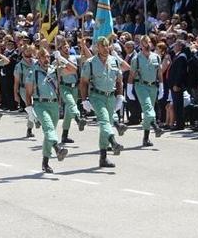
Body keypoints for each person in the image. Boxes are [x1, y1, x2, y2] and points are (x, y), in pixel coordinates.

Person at [80, 37, 125, 168]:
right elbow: (83, 83)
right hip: (96, 96)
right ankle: (114, 142)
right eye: (102, 46)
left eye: (107, 46)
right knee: (105, 121)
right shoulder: (90, 63)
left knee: (107, 125)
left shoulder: (114, 61)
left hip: (110, 97)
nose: (106, 48)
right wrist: (84, 100)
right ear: (97, 48)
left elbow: (119, 80)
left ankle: (103, 158)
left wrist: (120, 96)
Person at [25, 48, 69, 173]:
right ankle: (57, 148)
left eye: (48, 57)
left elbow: (73, 70)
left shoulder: (54, 70)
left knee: (49, 133)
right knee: (49, 129)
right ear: (38, 58)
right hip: (40, 104)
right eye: (43, 57)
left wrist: (61, 59)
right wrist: (29, 110)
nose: (46, 59)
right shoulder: (33, 71)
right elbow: (28, 93)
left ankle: (45, 162)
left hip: (54, 105)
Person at [128, 37, 164, 146]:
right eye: (144, 43)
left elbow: (159, 73)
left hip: (153, 86)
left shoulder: (156, 57)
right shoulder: (136, 59)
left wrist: (161, 86)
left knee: (149, 110)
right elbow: (131, 75)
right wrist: (129, 89)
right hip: (141, 86)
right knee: (148, 108)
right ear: (140, 45)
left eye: (148, 42)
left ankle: (146, 138)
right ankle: (156, 127)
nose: (147, 45)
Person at [57, 42, 86, 143]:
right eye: (63, 47)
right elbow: (63, 72)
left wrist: (84, 47)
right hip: (64, 86)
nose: (66, 48)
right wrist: (59, 59)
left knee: (68, 113)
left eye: (67, 46)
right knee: (71, 103)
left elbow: (88, 57)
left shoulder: (75, 58)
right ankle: (78, 119)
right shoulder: (57, 61)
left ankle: (64, 135)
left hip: (74, 87)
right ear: (59, 50)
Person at [13, 45, 39, 138]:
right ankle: (36, 122)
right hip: (24, 89)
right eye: (27, 52)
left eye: (31, 52)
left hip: (36, 88)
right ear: (23, 53)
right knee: (31, 107)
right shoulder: (19, 65)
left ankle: (29, 129)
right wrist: (15, 94)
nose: (29, 54)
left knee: (33, 109)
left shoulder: (36, 63)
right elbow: (16, 82)